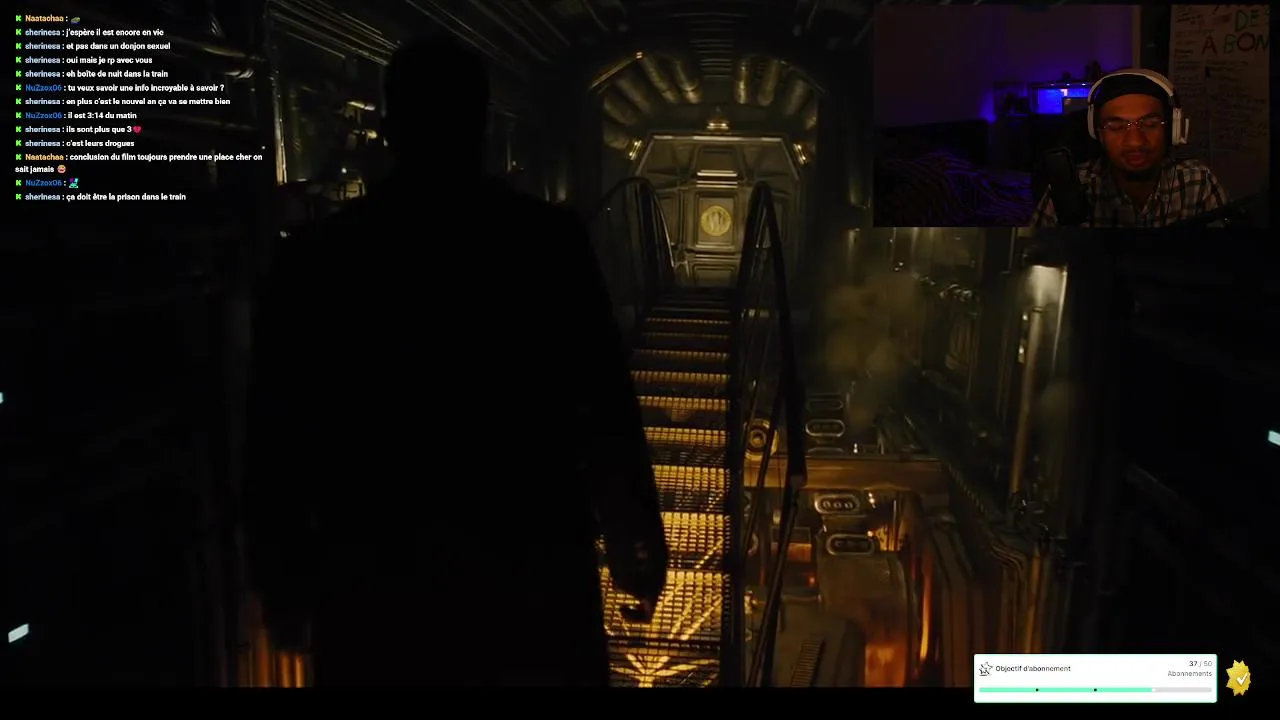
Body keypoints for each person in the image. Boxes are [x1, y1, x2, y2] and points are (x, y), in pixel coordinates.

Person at [243, 35, 669, 686]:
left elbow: (276, 438)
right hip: (529, 577)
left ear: (392, 130)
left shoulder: (317, 258)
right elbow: (603, 403)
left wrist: (284, 587)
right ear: (483, 126)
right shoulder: (548, 244)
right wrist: (634, 543)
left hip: (378, 584)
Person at [1031, 68, 1228, 228]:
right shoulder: (1068, 188)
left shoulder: (1198, 182)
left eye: (1150, 124)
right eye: (1116, 126)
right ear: (1098, 134)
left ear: (1172, 130)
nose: (1135, 142)